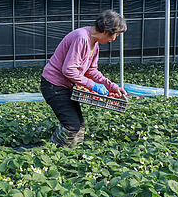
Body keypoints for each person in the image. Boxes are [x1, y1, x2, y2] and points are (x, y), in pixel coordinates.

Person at [41, 10, 128, 146]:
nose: (114, 39)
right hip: (54, 85)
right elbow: (68, 70)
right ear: (107, 31)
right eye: (115, 35)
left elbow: (92, 71)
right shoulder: (81, 38)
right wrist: (92, 85)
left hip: (66, 86)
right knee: (71, 126)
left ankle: (73, 154)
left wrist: (112, 86)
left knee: (80, 125)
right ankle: (49, 152)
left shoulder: (95, 43)